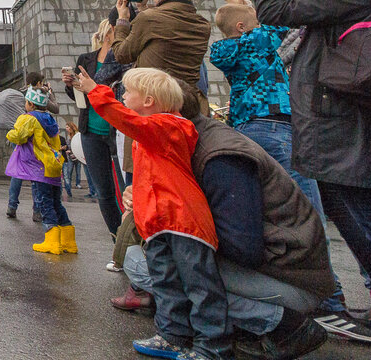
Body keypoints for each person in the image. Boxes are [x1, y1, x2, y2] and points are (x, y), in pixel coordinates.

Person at [116, 90, 336, 360]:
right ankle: (217, 327)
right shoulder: (180, 143)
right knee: (140, 259)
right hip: (274, 270)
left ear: (159, 109)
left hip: (291, 282)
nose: (124, 106)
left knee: (153, 265)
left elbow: (244, 247)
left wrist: (171, 215)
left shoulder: (220, 157)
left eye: (130, 98)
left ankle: (284, 325)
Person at [245, 0, 371, 337]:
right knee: (360, 215)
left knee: (361, 217)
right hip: (348, 120)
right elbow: (313, 6)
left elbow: (277, 14)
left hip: (342, 123)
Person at [79, 66, 232, 360]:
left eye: (128, 92)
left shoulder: (169, 126)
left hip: (182, 221)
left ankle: (213, 348)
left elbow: (126, 120)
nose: (123, 96)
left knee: (200, 285)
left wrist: (94, 91)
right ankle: (173, 335)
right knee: (166, 282)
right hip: (162, 222)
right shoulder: (155, 131)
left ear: (149, 101)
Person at [63, 19, 132, 237]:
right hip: (91, 130)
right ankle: (118, 238)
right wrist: (70, 84)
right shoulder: (86, 59)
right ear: (108, 32)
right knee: (104, 191)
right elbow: (78, 96)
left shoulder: (126, 58)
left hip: (118, 129)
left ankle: (133, 239)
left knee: (126, 189)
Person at [113, 0, 212, 110]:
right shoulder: (202, 23)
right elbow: (164, 38)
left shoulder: (149, 19)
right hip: (188, 102)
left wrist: (122, 21)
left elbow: (121, 54)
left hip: (155, 104)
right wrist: (143, 9)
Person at [6, 85, 75, 255]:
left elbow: (19, 136)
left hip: (38, 167)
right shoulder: (50, 119)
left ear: (30, 103)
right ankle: (69, 241)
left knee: (44, 203)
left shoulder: (28, 118)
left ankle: (52, 242)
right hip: (53, 165)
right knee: (56, 203)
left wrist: (10, 133)